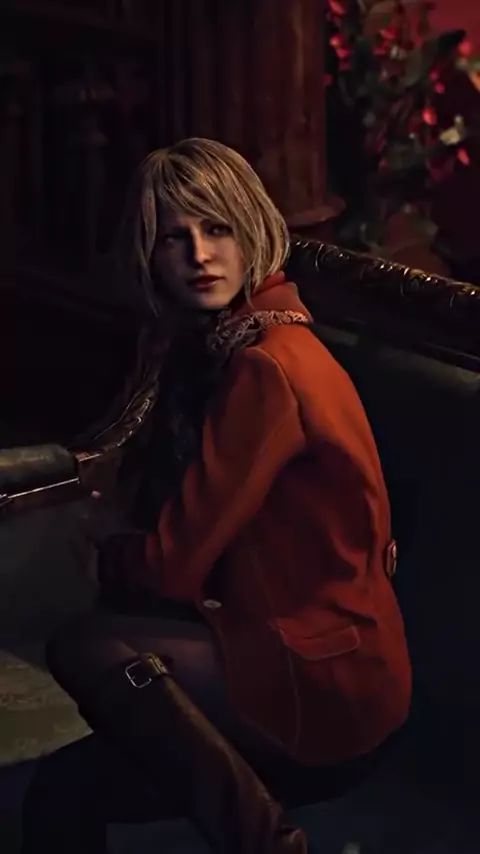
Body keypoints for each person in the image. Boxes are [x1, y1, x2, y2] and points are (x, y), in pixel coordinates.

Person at [21, 138, 411, 853]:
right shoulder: (225, 343)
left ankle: (265, 841)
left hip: (325, 682)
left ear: (251, 229)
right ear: (150, 253)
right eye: (175, 237)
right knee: (63, 791)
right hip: (316, 653)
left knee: (85, 645)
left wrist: (107, 554)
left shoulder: (266, 368)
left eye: (217, 228)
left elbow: (172, 566)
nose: (200, 254)